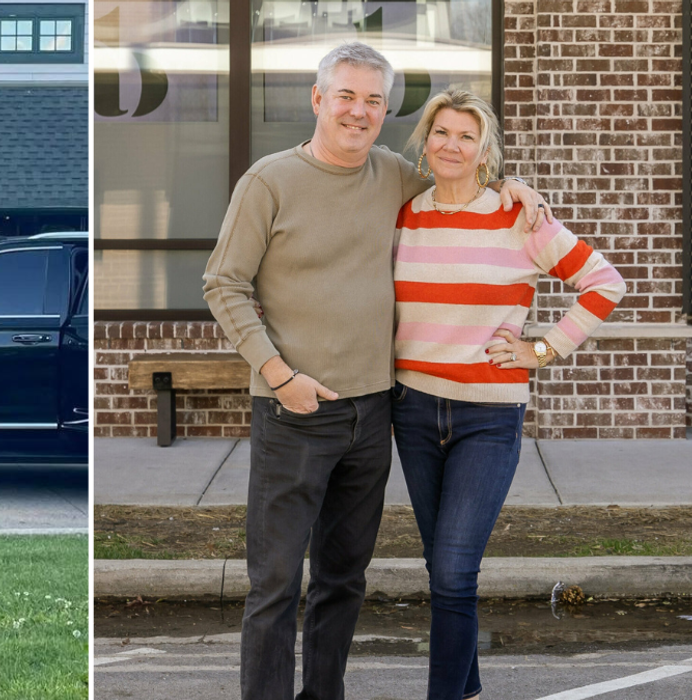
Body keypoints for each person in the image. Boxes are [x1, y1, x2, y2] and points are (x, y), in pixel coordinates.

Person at [201, 42, 548, 700]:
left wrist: (509, 184)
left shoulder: (391, 174)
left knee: (342, 580)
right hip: (292, 411)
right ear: (317, 100)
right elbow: (222, 283)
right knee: (274, 586)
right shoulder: (267, 182)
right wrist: (278, 374)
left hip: (372, 414)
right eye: (345, 96)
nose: (358, 112)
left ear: (384, 109)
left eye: (372, 101)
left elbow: (458, 179)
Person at [391, 90, 624, 700]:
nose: (452, 145)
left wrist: (542, 350)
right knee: (442, 567)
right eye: (441, 132)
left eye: (467, 136)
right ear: (425, 141)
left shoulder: (522, 220)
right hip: (413, 409)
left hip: (488, 417)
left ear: (485, 149)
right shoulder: (404, 217)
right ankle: (465, 687)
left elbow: (604, 282)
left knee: (453, 567)